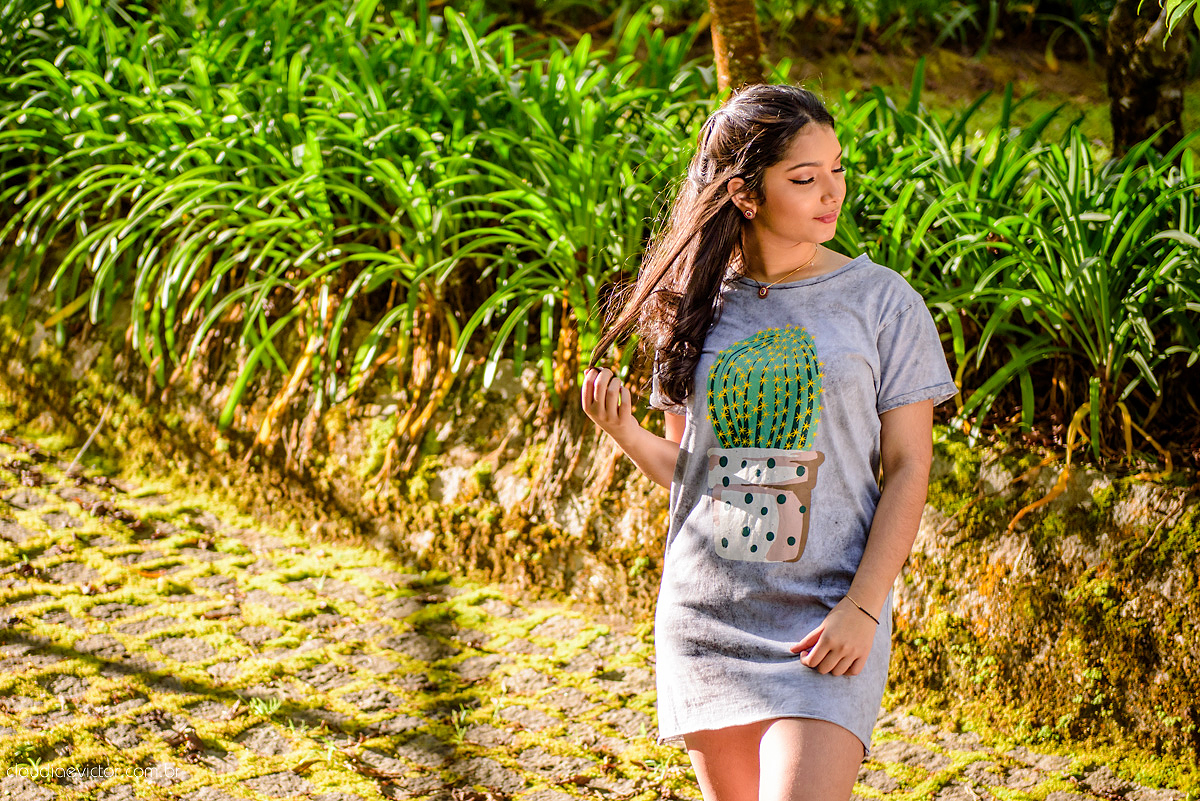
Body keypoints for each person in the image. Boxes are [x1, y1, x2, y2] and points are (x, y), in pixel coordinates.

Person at [580, 84, 958, 801]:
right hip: (707, 615)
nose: (832, 193)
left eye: (837, 169)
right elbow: (695, 473)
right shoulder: (695, 307)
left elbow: (910, 466)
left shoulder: (884, 302)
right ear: (745, 196)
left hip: (829, 613)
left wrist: (865, 605)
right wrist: (625, 432)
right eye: (805, 178)